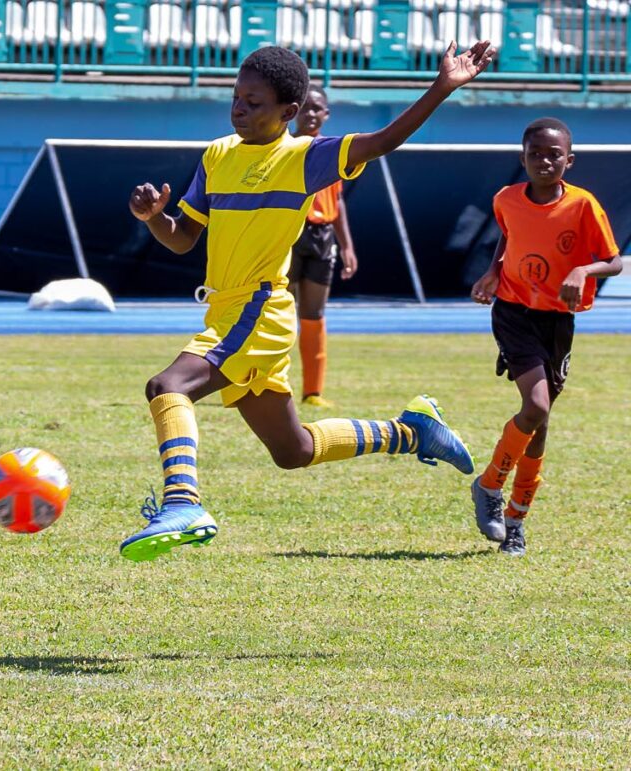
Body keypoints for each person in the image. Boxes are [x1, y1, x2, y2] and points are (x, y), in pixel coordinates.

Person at [121, 41, 495, 562]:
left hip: (259, 310)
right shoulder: (217, 155)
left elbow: (384, 140)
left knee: (167, 386)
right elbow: (183, 237)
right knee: (292, 451)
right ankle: (412, 432)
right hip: (229, 311)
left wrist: (443, 87)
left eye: (254, 102)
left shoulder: (303, 157)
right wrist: (153, 218)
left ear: (288, 113)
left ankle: (183, 503)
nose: (239, 108)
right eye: (237, 97)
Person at [470, 118, 622, 556]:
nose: (544, 160)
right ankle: (489, 486)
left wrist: (582, 269)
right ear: (523, 158)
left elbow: (612, 260)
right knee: (535, 405)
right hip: (514, 311)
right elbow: (508, 236)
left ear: (568, 161)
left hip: (558, 320)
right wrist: (494, 271)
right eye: (535, 153)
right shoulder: (506, 199)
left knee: (539, 424)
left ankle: (516, 521)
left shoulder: (583, 206)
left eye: (554, 154)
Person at [290, 84, 359, 409]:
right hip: (289, 233)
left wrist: (346, 246)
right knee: (276, 312)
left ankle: (312, 391)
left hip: (321, 238)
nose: (312, 114)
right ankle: (260, 382)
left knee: (313, 314)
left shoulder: (332, 152)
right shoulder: (283, 147)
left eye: (318, 108)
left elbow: (338, 201)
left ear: (327, 114)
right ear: (293, 111)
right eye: (306, 108)